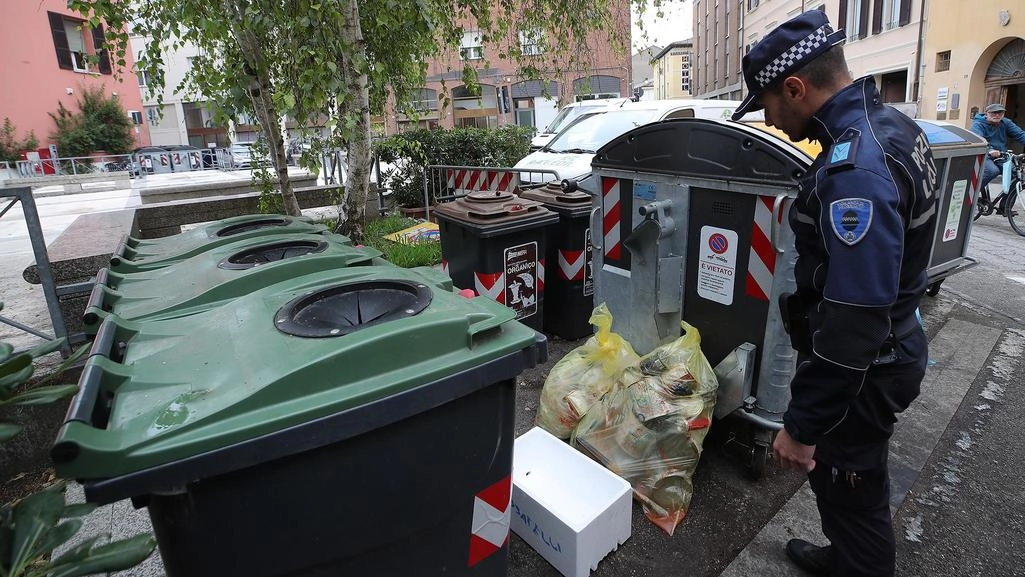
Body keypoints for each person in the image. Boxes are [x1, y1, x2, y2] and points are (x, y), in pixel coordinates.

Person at [732, 10, 937, 577]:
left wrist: (802, 425)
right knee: (848, 475)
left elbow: (854, 319)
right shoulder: (889, 127)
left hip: (866, 367)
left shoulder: (855, 170)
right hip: (886, 352)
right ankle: (844, 555)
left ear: (795, 88)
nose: (770, 121)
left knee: (851, 484)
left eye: (768, 105)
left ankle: (859, 563)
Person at [970, 103, 1025, 213]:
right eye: (993, 112)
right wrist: (990, 150)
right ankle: (969, 194)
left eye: (1000, 112)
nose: (997, 115)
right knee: (992, 171)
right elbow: (978, 141)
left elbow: (1020, 135)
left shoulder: (1005, 123)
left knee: (1017, 174)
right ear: (986, 113)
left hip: (1001, 155)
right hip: (983, 154)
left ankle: (1005, 207)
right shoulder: (978, 124)